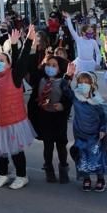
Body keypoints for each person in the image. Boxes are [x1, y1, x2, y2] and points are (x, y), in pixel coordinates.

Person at [0, 26, 38, 190]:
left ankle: (21, 176)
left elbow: (23, 59)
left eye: (2, 61)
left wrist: (25, 42)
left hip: (13, 122)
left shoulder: (14, 76)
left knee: (15, 151)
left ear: (9, 64)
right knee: (0, 152)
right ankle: (2, 174)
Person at [71, 71, 107, 192]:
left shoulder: (96, 100)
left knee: (97, 158)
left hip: (95, 136)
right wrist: (68, 75)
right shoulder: (76, 97)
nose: (83, 85)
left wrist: (103, 129)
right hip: (80, 135)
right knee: (83, 158)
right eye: (81, 82)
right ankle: (86, 179)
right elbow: (64, 88)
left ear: (92, 85)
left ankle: (100, 179)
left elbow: (104, 116)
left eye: (86, 82)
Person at [30, 55, 73, 184]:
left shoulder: (63, 82)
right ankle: (49, 170)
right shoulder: (40, 80)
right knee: (48, 146)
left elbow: (69, 98)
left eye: (54, 65)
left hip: (59, 119)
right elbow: (31, 70)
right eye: (48, 65)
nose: (50, 68)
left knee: (61, 145)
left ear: (59, 69)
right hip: (45, 117)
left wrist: (63, 106)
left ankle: (63, 169)